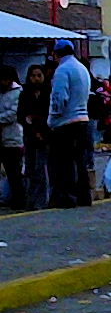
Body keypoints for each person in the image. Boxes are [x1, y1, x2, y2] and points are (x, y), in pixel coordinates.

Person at [47, 38, 93, 208]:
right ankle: (84, 196)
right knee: (80, 161)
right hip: (83, 120)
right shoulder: (82, 68)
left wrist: (52, 118)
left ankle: (67, 197)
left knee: (63, 162)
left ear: (57, 53)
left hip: (66, 122)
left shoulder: (62, 70)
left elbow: (59, 98)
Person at [17, 64, 50, 211]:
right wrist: (30, 125)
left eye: (39, 75)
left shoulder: (48, 92)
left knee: (42, 169)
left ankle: (42, 200)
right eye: (33, 76)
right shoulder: (25, 94)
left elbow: (50, 113)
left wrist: (39, 125)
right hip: (29, 136)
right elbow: (21, 115)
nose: (36, 79)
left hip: (46, 135)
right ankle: (30, 200)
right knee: (30, 169)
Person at [0, 65, 25, 210]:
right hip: (2, 138)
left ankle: (19, 199)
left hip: (14, 138)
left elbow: (13, 114)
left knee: (14, 171)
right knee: (7, 173)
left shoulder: (18, 92)